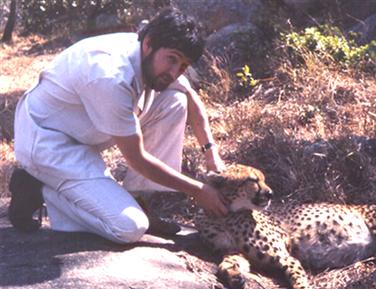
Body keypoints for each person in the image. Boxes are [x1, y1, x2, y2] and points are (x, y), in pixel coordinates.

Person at [8, 7, 228, 244]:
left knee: (175, 101)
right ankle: (43, 189)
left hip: (81, 128)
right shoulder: (110, 76)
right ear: (149, 44)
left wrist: (211, 153)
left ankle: (138, 199)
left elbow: (191, 97)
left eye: (183, 66)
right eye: (172, 60)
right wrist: (198, 190)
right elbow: (138, 160)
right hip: (48, 143)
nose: (175, 72)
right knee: (129, 228)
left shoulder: (149, 49)